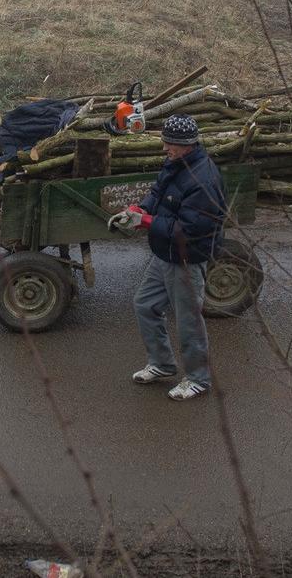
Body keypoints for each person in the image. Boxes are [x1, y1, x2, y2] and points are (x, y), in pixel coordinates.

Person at [108, 114, 226, 401]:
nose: (164, 148)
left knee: (188, 321)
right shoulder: (176, 163)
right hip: (164, 253)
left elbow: (190, 229)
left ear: (186, 145)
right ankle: (162, 364)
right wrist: (137, 209)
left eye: (170, 144)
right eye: (165, 142)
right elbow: (158, 192)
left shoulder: (204, 180)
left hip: (186, 259)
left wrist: (145, 222)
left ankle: (198, 379)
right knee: (145, 305)